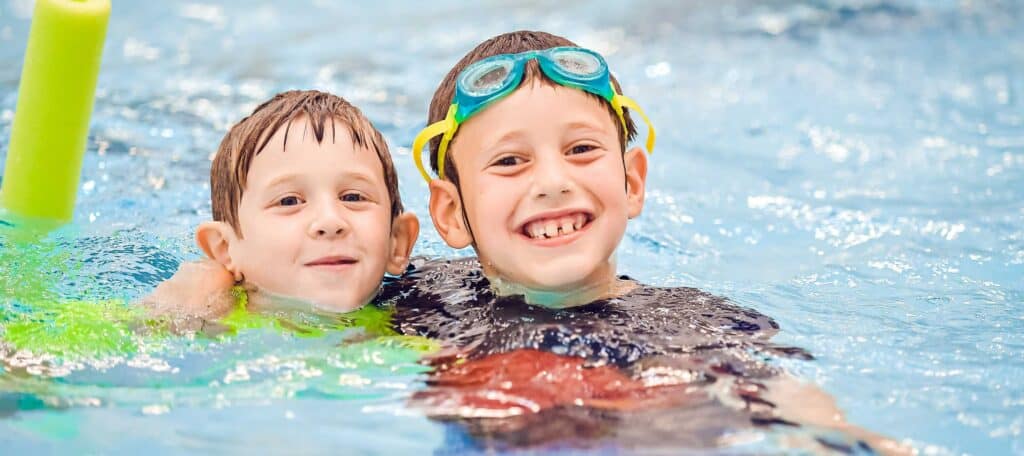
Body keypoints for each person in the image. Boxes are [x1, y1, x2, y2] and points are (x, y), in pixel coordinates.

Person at [145, 89, 418, 320]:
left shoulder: (429, 318)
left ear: (397, 241)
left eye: (353, 197)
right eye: (289, 201)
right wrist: (173, 317)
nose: (330, 221)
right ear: (225, 249)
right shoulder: (202, 320)